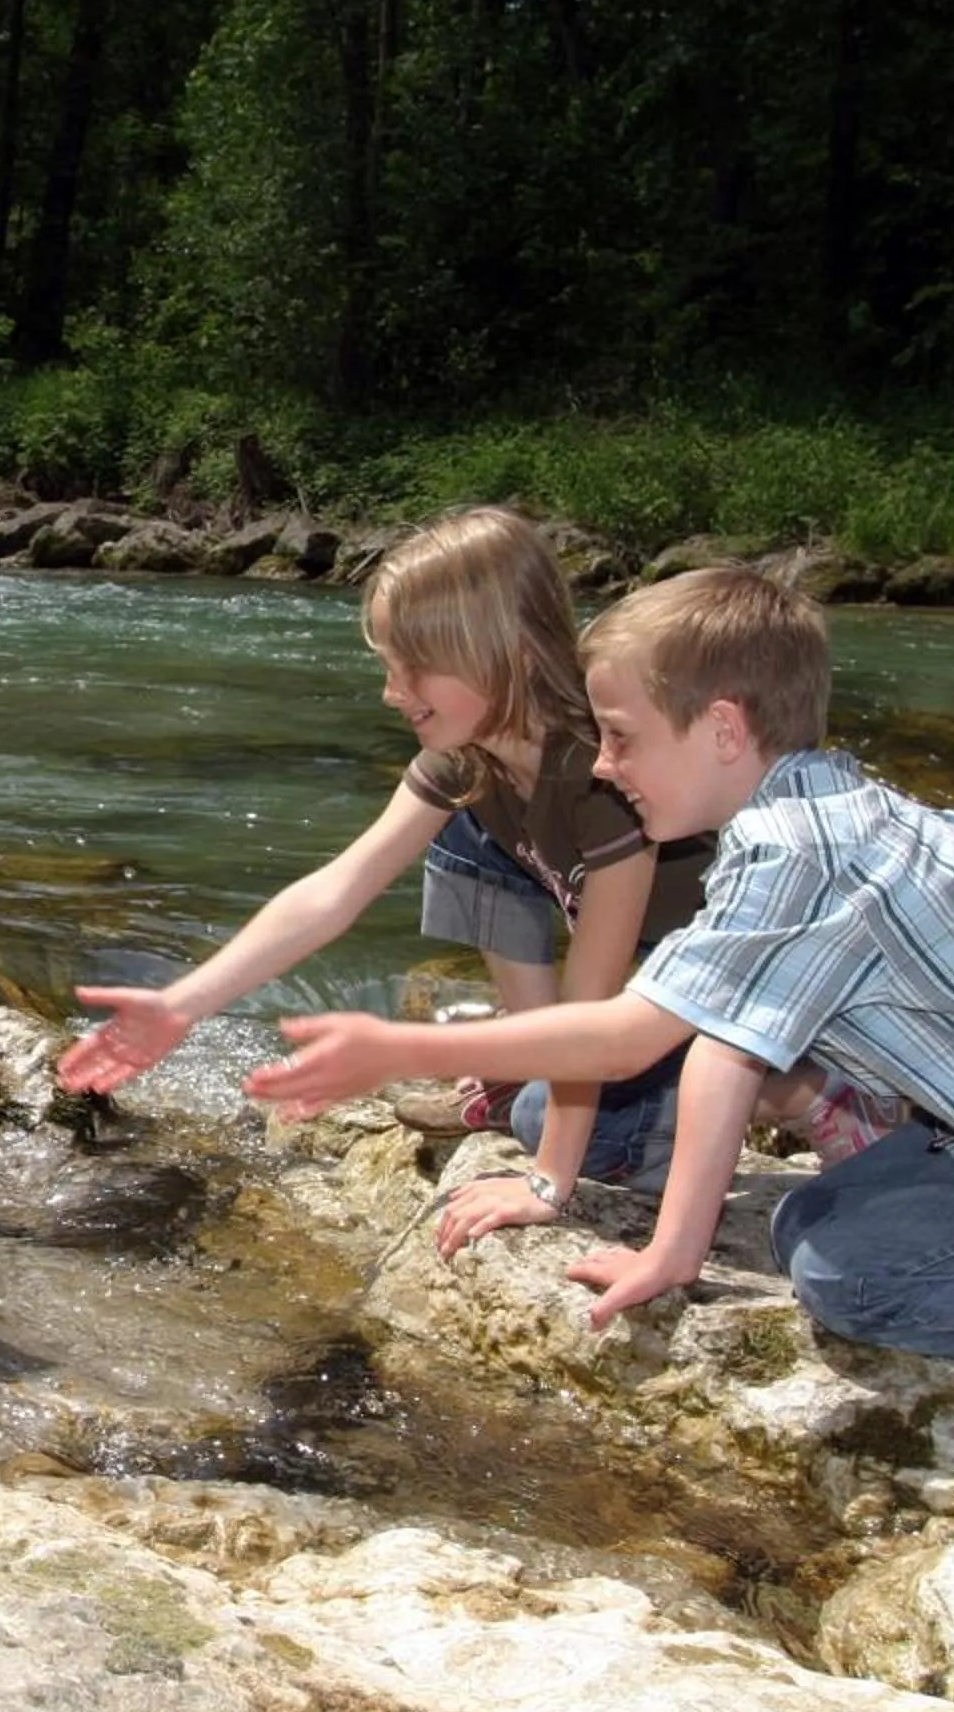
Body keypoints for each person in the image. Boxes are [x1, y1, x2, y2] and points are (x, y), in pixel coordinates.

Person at [249, 565, 954, 1398]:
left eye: (621, 735)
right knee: (811, 1222)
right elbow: (723, 1046)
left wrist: (403, 1045)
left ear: (721, 727)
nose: (604, 764)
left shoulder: (799, 850)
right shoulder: (837, 810)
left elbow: (628, 1039)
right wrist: (678, 1245)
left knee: (855, 1279)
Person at [58, 506, 860, 1228]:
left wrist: (550, 1183)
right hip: (660, 993)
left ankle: (805, 1094)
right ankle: (525, 1061)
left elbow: (593, 988)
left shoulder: (604, 769)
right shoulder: (469, 760)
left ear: (493, 651)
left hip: (747, 997)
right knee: (464, 836)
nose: (389, 692)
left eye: (410, 667)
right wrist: (183, 1004)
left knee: (552, 1123)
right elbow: (336, 890)